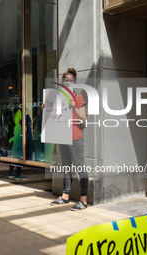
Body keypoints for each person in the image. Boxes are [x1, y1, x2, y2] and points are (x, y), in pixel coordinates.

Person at [42, 67, 88, 211]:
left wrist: (74, 106)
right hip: (62, 135)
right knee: (66, 166)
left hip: (75, 136)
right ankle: (65, 195)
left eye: (71, 81)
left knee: (80, 166)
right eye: (66, 80)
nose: (68, 82)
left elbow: (83, 118)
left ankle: (83, 200)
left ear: (74, 82)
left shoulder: (78, 97)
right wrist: (46, 108)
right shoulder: (58, 98)